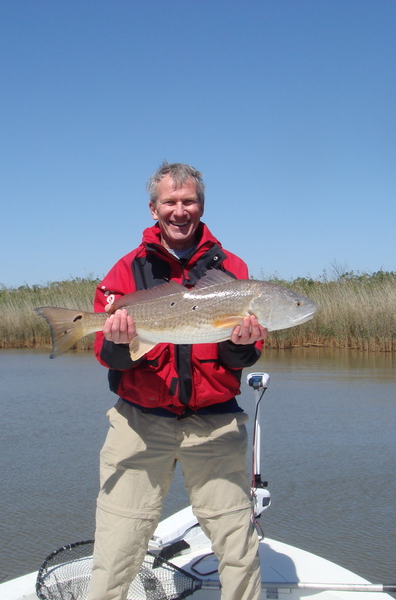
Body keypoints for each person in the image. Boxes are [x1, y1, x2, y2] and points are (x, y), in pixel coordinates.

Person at [88, 162, 268, 600]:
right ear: (154, 209)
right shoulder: (125, 270)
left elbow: (238, 358)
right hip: (139, 423)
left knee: (238, 545)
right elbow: (107, 357)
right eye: (170, 202)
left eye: (188, 201)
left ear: (201, 206)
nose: (179, 210)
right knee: (116, 548)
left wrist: (243, 343)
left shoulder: (232, 268)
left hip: (214, 422)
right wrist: (115, 341)